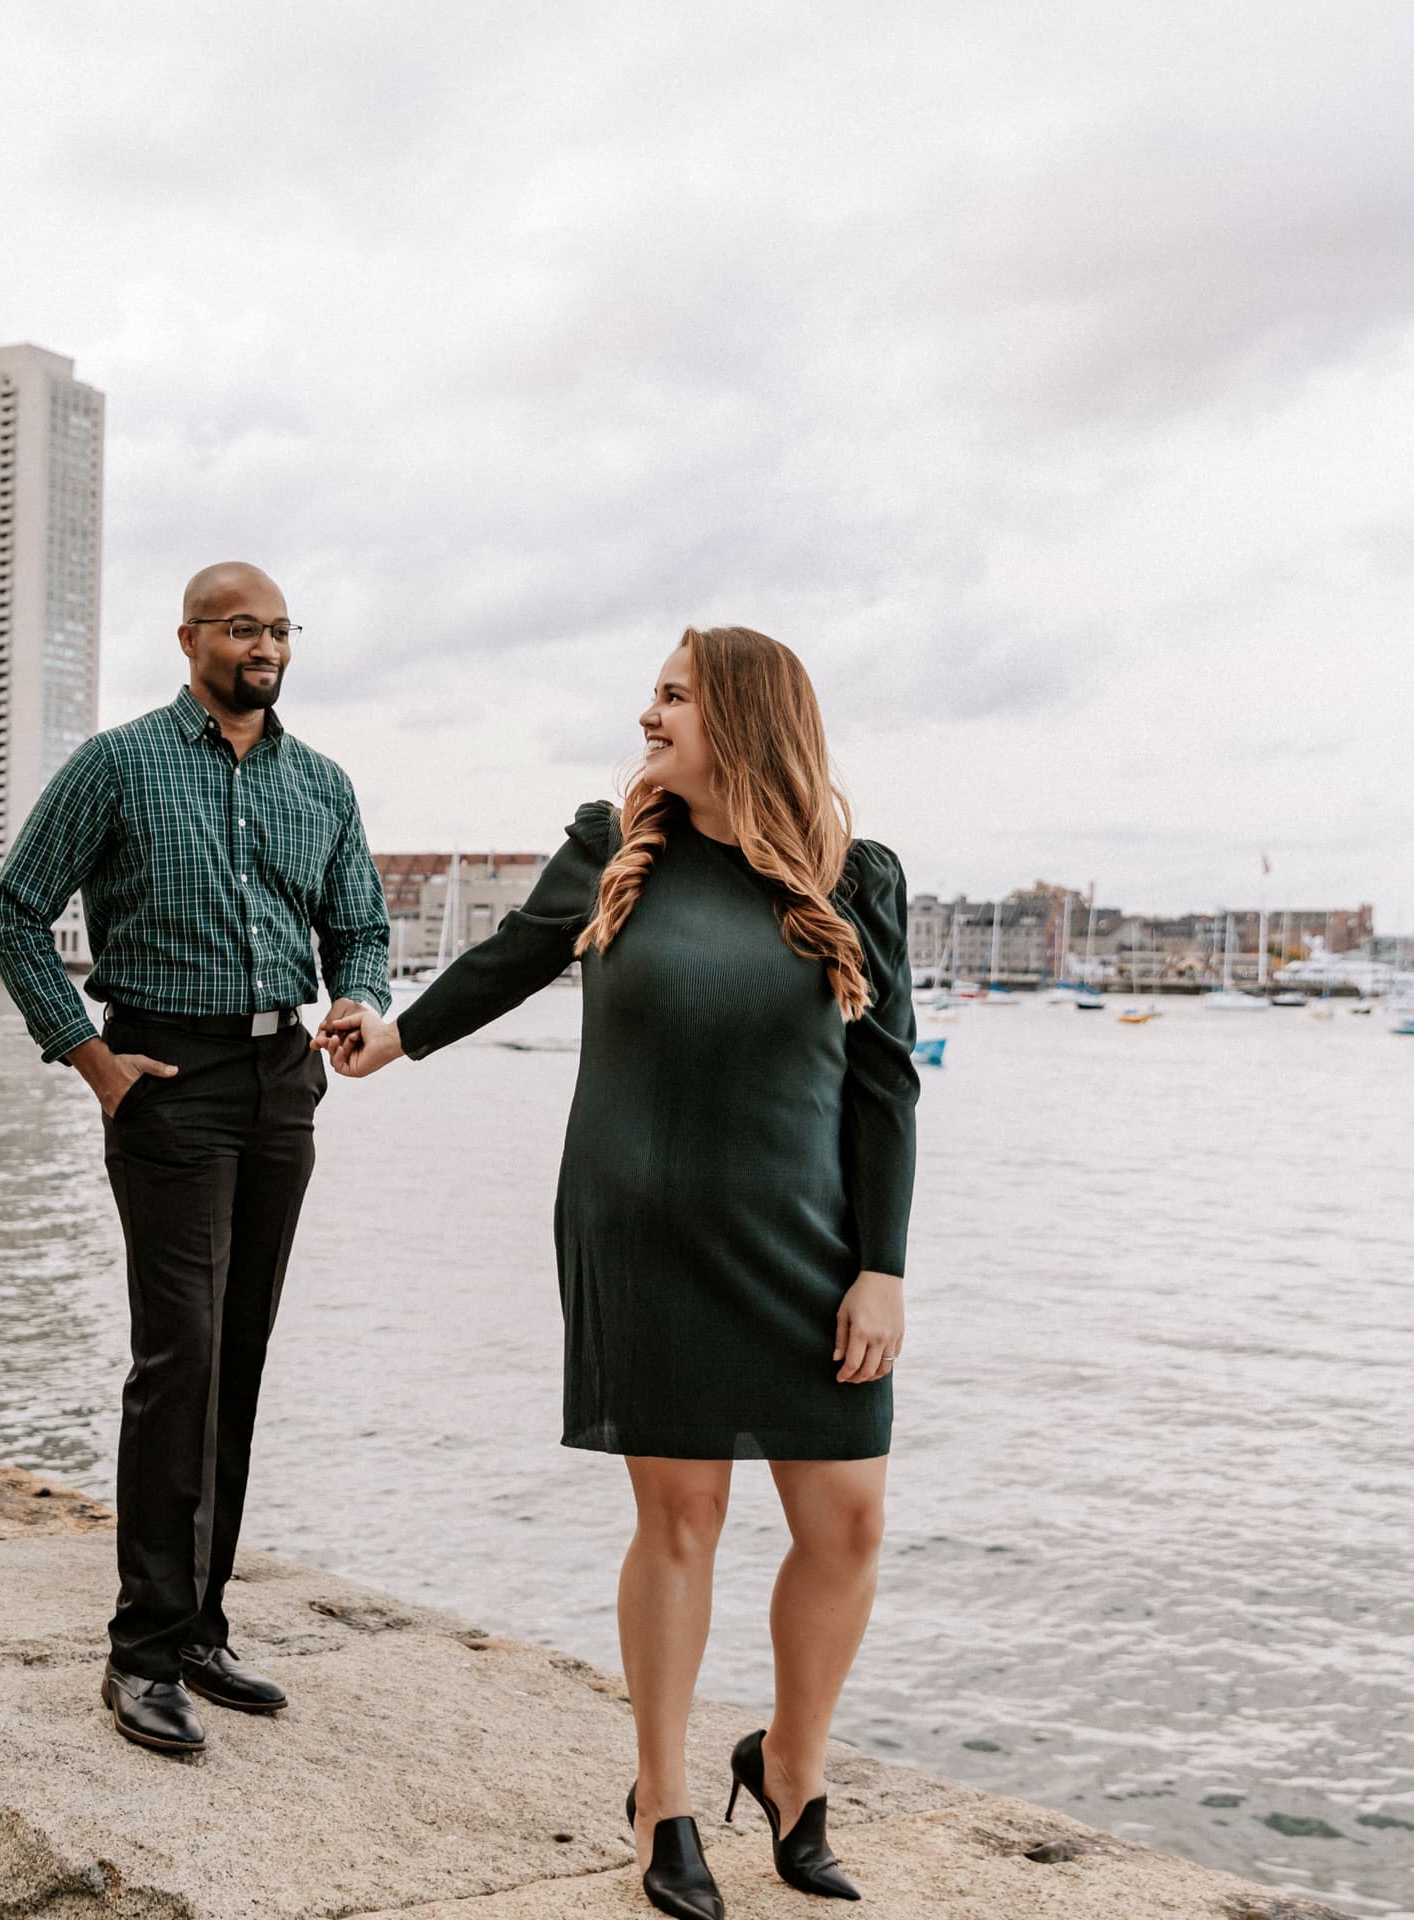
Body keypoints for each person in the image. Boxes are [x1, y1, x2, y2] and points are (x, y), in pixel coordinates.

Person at [320, 626, 917, 1914]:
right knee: (683, 1516)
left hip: (808, 1246)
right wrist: (391, 1039)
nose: (647, 715)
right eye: (652, 692)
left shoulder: (855, 874)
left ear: (746, 719)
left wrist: (886, 1269)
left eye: (674, 695)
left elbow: (885, 1090)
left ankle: (792, 1770)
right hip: (642, 1236)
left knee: (849, 1519)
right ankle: (664, 1804)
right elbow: (506, 963)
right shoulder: (613, 848)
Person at [0, 562, 392, 1757]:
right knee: (182, 1355)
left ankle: (205, 1628)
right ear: (190, 639)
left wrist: (359, 998)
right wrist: (90, 1056)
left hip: (282, 1086)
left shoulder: (321, 782)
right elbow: (14, 912)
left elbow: (359, 922)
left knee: (243, 1352)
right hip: (166, 1081)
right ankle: (143, 1649)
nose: (263, 644)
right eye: (240, 626)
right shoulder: (119, 764)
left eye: (277, 628)